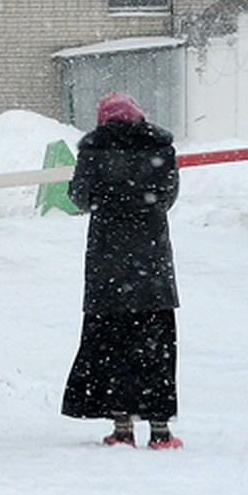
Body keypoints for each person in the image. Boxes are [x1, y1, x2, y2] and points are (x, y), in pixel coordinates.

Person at [61, 92, 183, 450]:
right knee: (156, 348)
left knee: (112, 347)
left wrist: (105, 200)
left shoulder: (93, 151)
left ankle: (122, 428)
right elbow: (168, 196)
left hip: (107, 268)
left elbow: (80, 197)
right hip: (153, 268)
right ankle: (160, 431)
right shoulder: (161, 148)